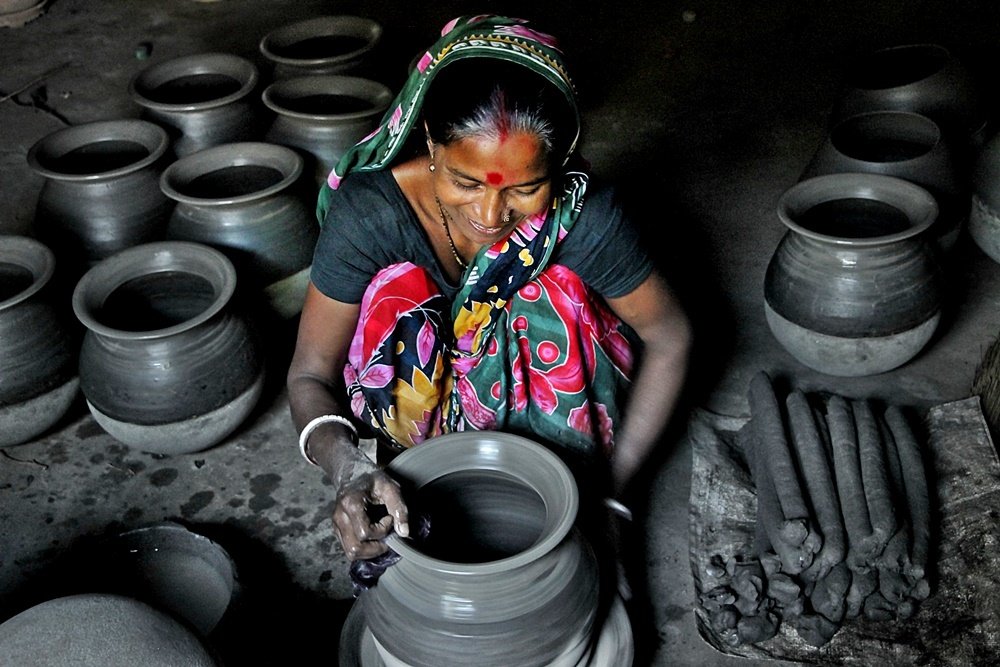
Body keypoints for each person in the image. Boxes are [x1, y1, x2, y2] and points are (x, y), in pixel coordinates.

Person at [287, 15, 692, 564]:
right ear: (429, 139)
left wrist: (614, 497)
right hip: (412, 430)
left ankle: (565, 482)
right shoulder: (372, 212)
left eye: (526, 188)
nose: (490, 213)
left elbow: (670, 335)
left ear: (560, 161)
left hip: (554, 434)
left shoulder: (585, 216)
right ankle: (417, 487)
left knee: (552, 289)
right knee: (397, 288)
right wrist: (347, 466)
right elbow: (309, 370)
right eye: (464, 181)